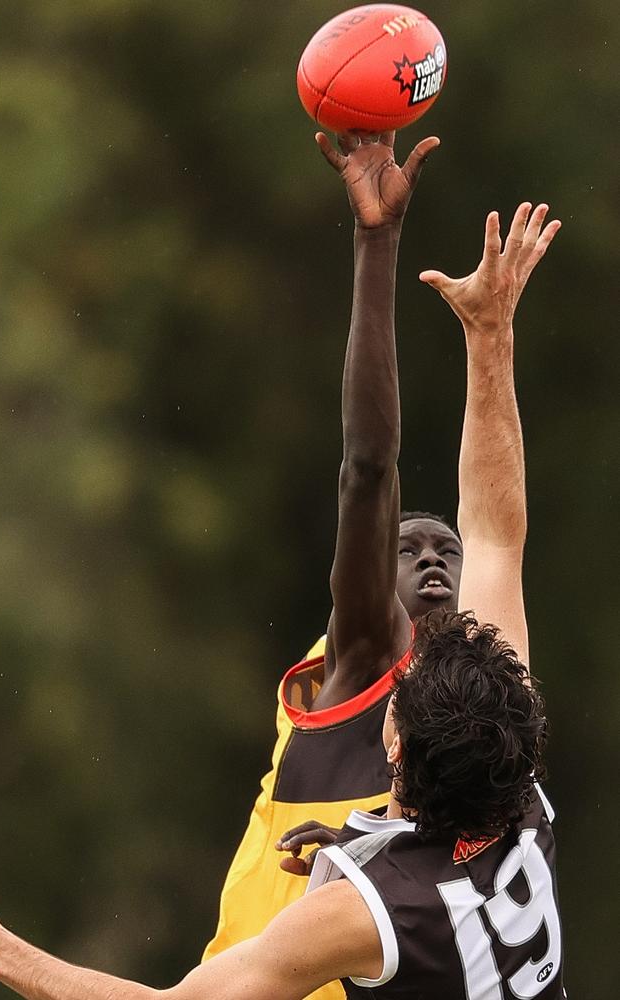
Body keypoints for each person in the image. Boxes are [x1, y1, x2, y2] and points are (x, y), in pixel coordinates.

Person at [0, 151, 563, 996]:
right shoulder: (511, 772)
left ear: (396, 745)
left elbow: (407, 489)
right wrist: (491, 332)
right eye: (409, 547)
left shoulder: (372, 909)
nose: (435, 559)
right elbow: (495, 532)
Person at [202, 133, 462, 1000]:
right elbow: (367, 469)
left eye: (445, 549)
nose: (431, 557)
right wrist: (376, 242)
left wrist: (372, 832)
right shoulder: (362, 657)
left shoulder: (473, 720)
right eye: (408, 548)